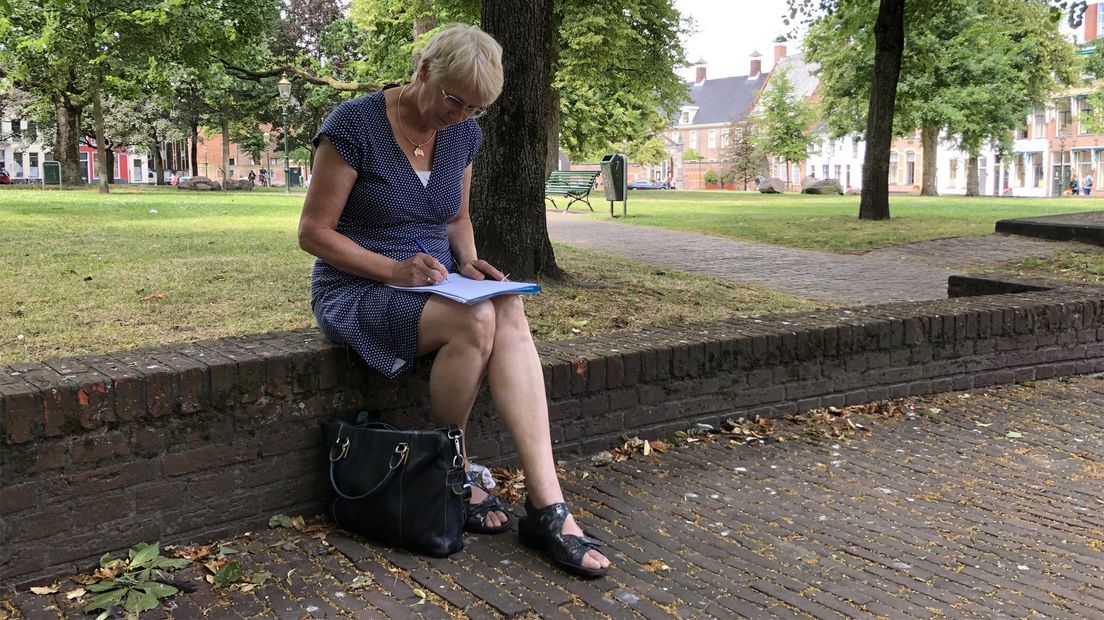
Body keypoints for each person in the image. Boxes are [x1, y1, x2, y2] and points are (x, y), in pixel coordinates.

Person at [298, 24, 610, 578]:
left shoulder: (463, 136)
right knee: (475, 321)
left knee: (506, 304)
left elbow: (456, 216)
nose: (461, 115)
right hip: (359, 287)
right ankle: (452, 472)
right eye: (454, 99)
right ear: (423, 70)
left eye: (475, 108)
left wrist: (468, 262)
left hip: (440, 282)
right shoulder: (353, 127)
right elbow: (314, 234)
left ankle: (547, 505)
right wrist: (395, 269)